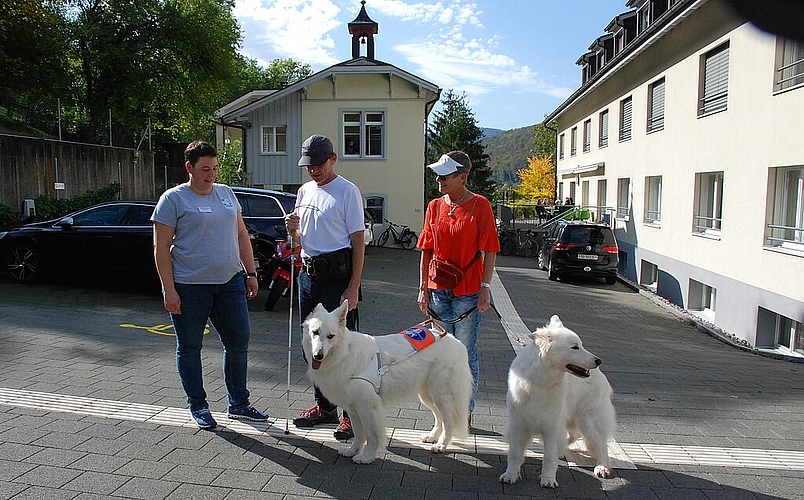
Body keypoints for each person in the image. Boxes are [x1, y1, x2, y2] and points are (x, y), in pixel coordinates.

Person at [151, 140, 267, 430]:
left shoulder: (227, 194)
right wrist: (169, 289)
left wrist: (251, 273)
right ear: (189, 167)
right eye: (205, 169)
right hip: (190, 286)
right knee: (190, 346)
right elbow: (161, 247)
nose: (211, 174)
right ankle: (198, 405)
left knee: (238, 341)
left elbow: (242, 235)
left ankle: (239, 403)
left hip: (230, 283)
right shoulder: (173, 199)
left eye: (214, 168)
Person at [286, 134, 365, 441]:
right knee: (312, 345)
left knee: (343, 349)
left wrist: (354, 286)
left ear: (333, 159)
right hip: (308, 275)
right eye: (308, 165)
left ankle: (349, 413)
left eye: (318, 164)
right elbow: (298, 239)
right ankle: (324, 406)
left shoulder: (347, 191)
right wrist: (291, 230)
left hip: (337, 277)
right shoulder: (304, 191)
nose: (313, 170)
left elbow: (358, 240)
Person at [416, 151, 500, 423]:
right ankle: (442, 412)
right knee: (439, 351)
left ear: (462, 177)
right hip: (438, 287)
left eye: (445, 175)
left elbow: (490, 250)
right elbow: (426, 249)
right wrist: (422, 288)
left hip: (468, 289)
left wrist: (485, 286)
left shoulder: (480, 205)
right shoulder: (435, 206)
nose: (439, 179)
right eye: (438, 175)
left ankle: (464, 411)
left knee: (464, 351)